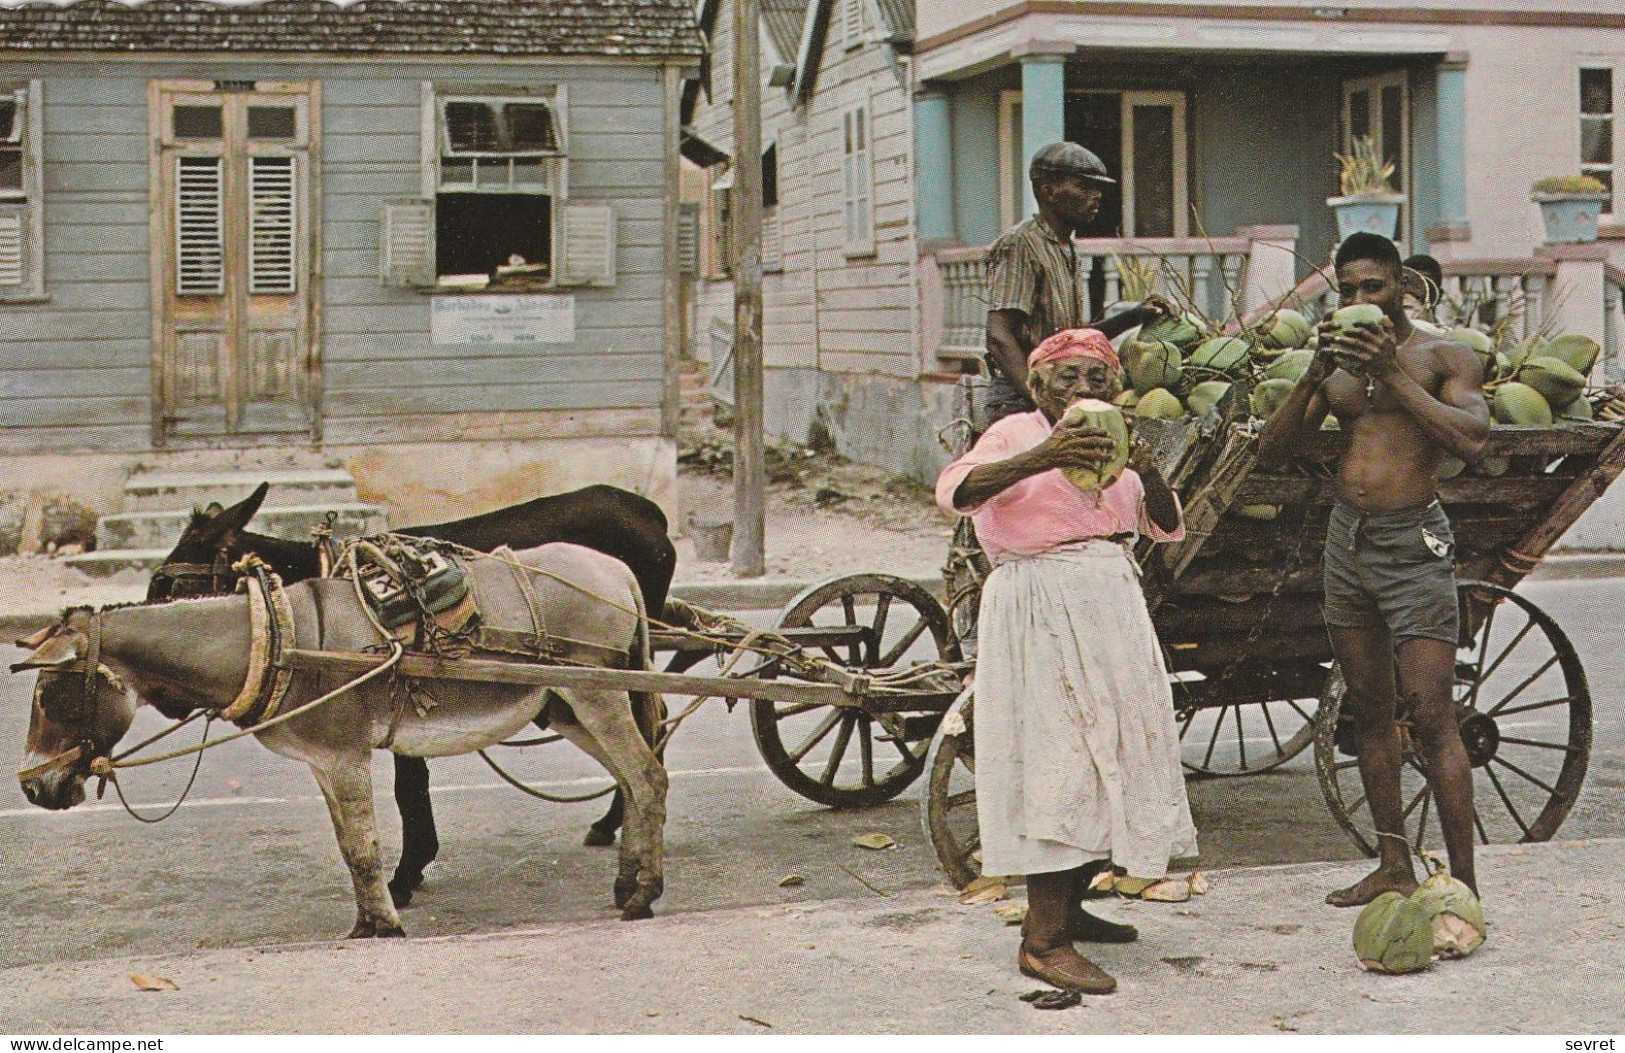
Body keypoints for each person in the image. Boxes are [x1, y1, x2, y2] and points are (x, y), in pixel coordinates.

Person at [935, 328, 1197, 994]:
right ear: (1036, 386)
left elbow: (1164, 523)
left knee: (1110, 754)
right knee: (1060, 761)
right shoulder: (1014, 432)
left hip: (1108, 599)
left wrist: (1145, 463)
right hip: (1040, 604)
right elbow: (958, 493)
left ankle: (1071, 907)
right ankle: (1042, 939)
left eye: (1098, 378)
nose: (1084, 390)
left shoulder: (1115, 437)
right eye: (1066, 378)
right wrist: (1042, 454)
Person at [1257, 232, 1490, 907]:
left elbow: (1471, 440)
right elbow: (1273, 454)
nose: (1360, 300)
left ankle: (1464, 886)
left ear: (1399, 286)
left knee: (1431, 715)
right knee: (1368, 712)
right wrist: (1309, 376)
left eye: (1373, 287)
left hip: (1411, 542)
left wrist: (1388, 373)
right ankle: (1393, 865)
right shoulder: (1331, 366)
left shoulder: (1443, 355)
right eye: (1348, 290)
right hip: (1346, 541)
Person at [982, 141, 1173, 427]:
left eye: (1098, 189)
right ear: (1048, 190)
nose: (1096, 196)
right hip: (1019, 402)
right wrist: (1039, 401)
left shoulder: (1065, 249)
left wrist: (1134, 316)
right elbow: (999, 336)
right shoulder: (1021, 244)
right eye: (1084, 187)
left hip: (1057, 397)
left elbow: (1071, 340)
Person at [1402, 253, 1445, 323]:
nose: (1413, 298)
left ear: (1438, 296)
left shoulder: (1449, 333)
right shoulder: (1384, 330)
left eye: (1426, 289)